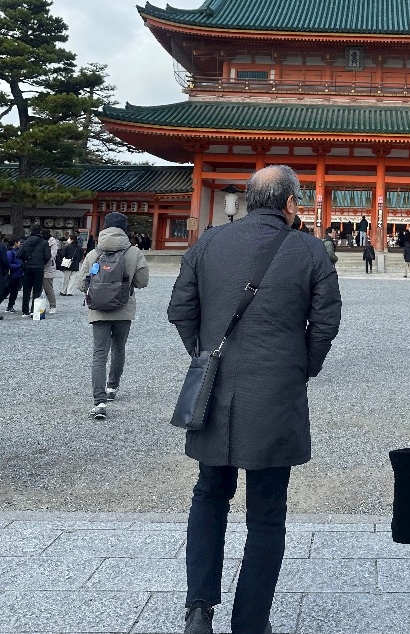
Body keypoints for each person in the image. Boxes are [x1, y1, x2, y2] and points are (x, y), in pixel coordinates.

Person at [168, 165, 341, 634]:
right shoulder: (309, 250)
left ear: (248, 200)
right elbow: (326, 321)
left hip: (214, 389)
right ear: (290, 203)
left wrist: (204, 355)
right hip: (275, 392)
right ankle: (250, 622)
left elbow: (180, 308)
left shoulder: (208, 242)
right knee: (266, 512)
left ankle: (199, 607)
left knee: (209, 494)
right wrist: (302, 366)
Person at [77, 213, 149, 419]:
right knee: (118, 348)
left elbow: (81, 284)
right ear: (124, 229)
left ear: (105, 228)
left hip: (99, 309)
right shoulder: (134, 252)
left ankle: (99, 401)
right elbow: (142, 282)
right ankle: (112, 387)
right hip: (123, 308)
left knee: (99, 353)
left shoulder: (94, 253)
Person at [18, 223, 51, 318]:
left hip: (27, 267)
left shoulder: (26, 241)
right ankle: (34, 310)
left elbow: (19, 254)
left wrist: (25, 260)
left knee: (26, 289)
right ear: (40, 231)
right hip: (39, 268)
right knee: (37, 289)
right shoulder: (44, 242)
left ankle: (25, 311)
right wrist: (42, 262)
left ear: (31, 231)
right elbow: (48, 256)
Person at [41, 230, 59, 313]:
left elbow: (52, 255)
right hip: (41, 267)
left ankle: (53, 306)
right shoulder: (42, 242)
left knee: (48, 288)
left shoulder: (53, 243)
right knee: (38, 289)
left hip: (48, 267)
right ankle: (39, 307)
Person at [2, 238, 23, 312]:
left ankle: (10, 306)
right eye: (19, 242)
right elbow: (8, 264)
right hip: (12, 275)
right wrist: (19, 265)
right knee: (6, 291)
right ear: (15, 243)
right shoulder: (10, 252)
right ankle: (10, 306)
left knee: (14, 292)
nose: (20, 243)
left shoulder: (16, 251)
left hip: (17, 275)